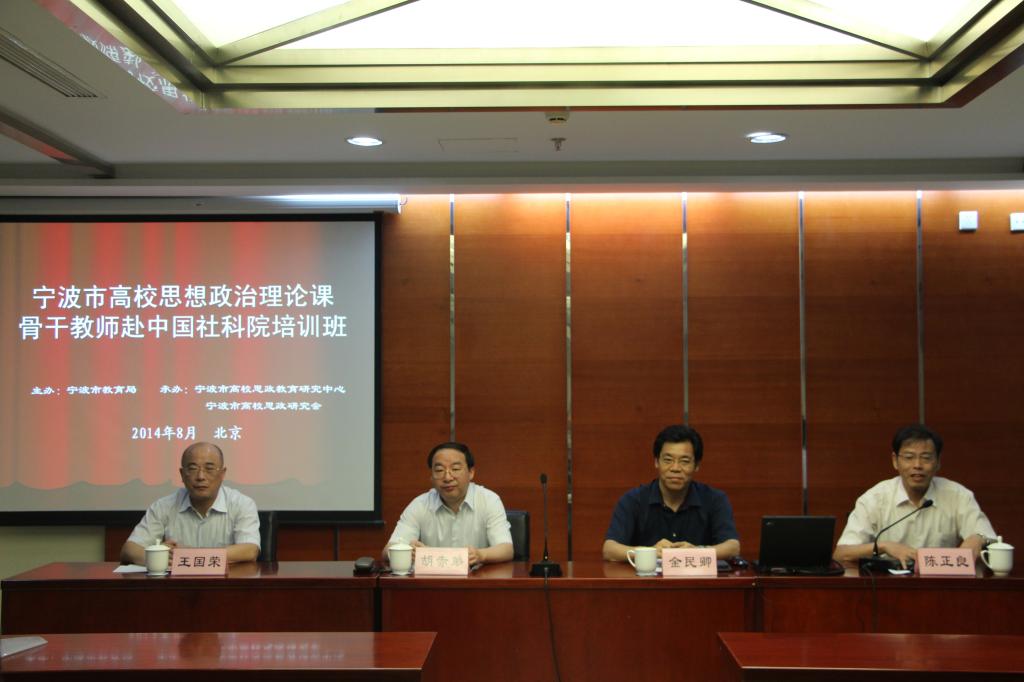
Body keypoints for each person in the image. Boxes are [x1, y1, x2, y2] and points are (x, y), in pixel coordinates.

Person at [833, 424, 996, 568]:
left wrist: (979, 539)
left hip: (942, 584)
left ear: (938, 462)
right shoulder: (874, 499)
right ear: (895, 461)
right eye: (909, 457)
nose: (917, 465)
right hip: (888, 585)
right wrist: (884, 546)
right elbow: (841, 554)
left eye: (926, 458)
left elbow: (989, 538)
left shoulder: (958, 496)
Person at [603, 424, 740, 561]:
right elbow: (609, 550)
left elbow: (732, 547)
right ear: (656, 462)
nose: (675, 468)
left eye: (684, 461)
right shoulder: (634, 500)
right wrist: (650, 552)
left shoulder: (714, 499)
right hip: (648, 575)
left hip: (696, 574)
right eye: (668, 460)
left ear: (697, 465)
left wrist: (698, 551)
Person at [120, 442, 260, 565]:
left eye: (209, 469)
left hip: (225, 583)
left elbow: (250, 550)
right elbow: (129, 550)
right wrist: (156, 555)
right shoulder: (163, 506)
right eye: (193, 468)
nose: (200, 476)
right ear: (182, 474)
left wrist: (186, 556)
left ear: (222, 473)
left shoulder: (241, 504)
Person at [384, 441, 513, 566]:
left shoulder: (489, 500)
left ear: (471, 472)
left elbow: (506, 549)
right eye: (439, 470)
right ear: (431, 476)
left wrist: (480, 555)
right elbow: (387, 551)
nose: (447, 478)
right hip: (432, 579)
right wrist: (407, 551)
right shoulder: (420, 505)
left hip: (477, 577)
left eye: (455, 469)